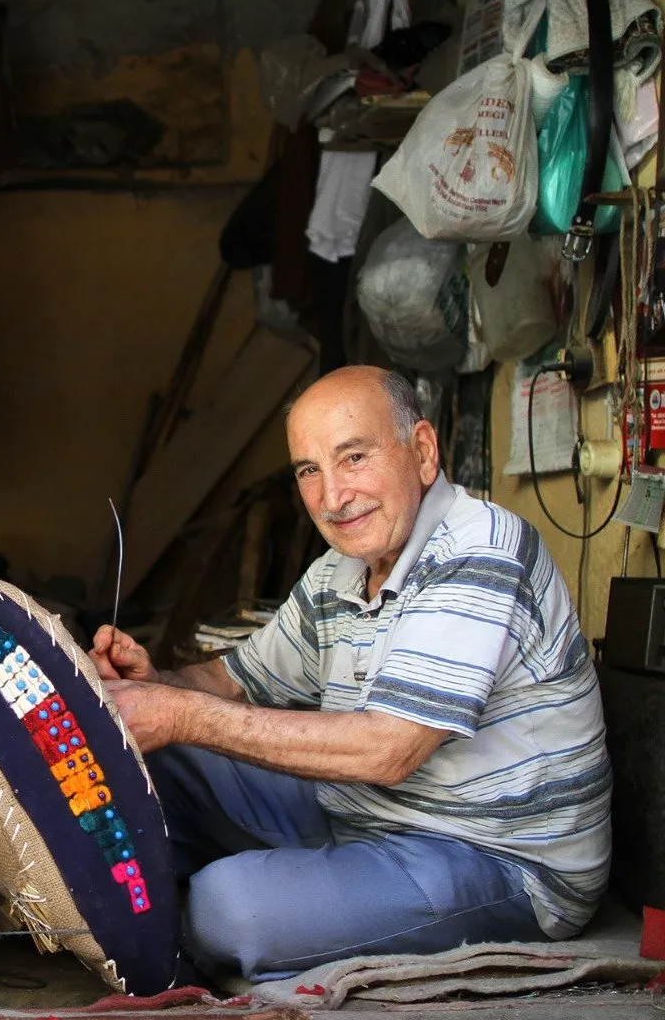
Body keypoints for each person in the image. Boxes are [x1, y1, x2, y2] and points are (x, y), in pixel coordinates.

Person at [90, 366, 610, 980]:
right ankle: (111, 891)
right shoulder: (338, 573)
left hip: (501, 860)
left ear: (421, 452)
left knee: (229, 910)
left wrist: (179, 714)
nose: (333, 497)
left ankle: (160, 905)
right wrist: (156, 682)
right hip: (363, 814)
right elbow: (231, 683)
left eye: (354, 457)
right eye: (309, 471)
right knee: (153, 757)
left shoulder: (480, 548)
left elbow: (390, 750)